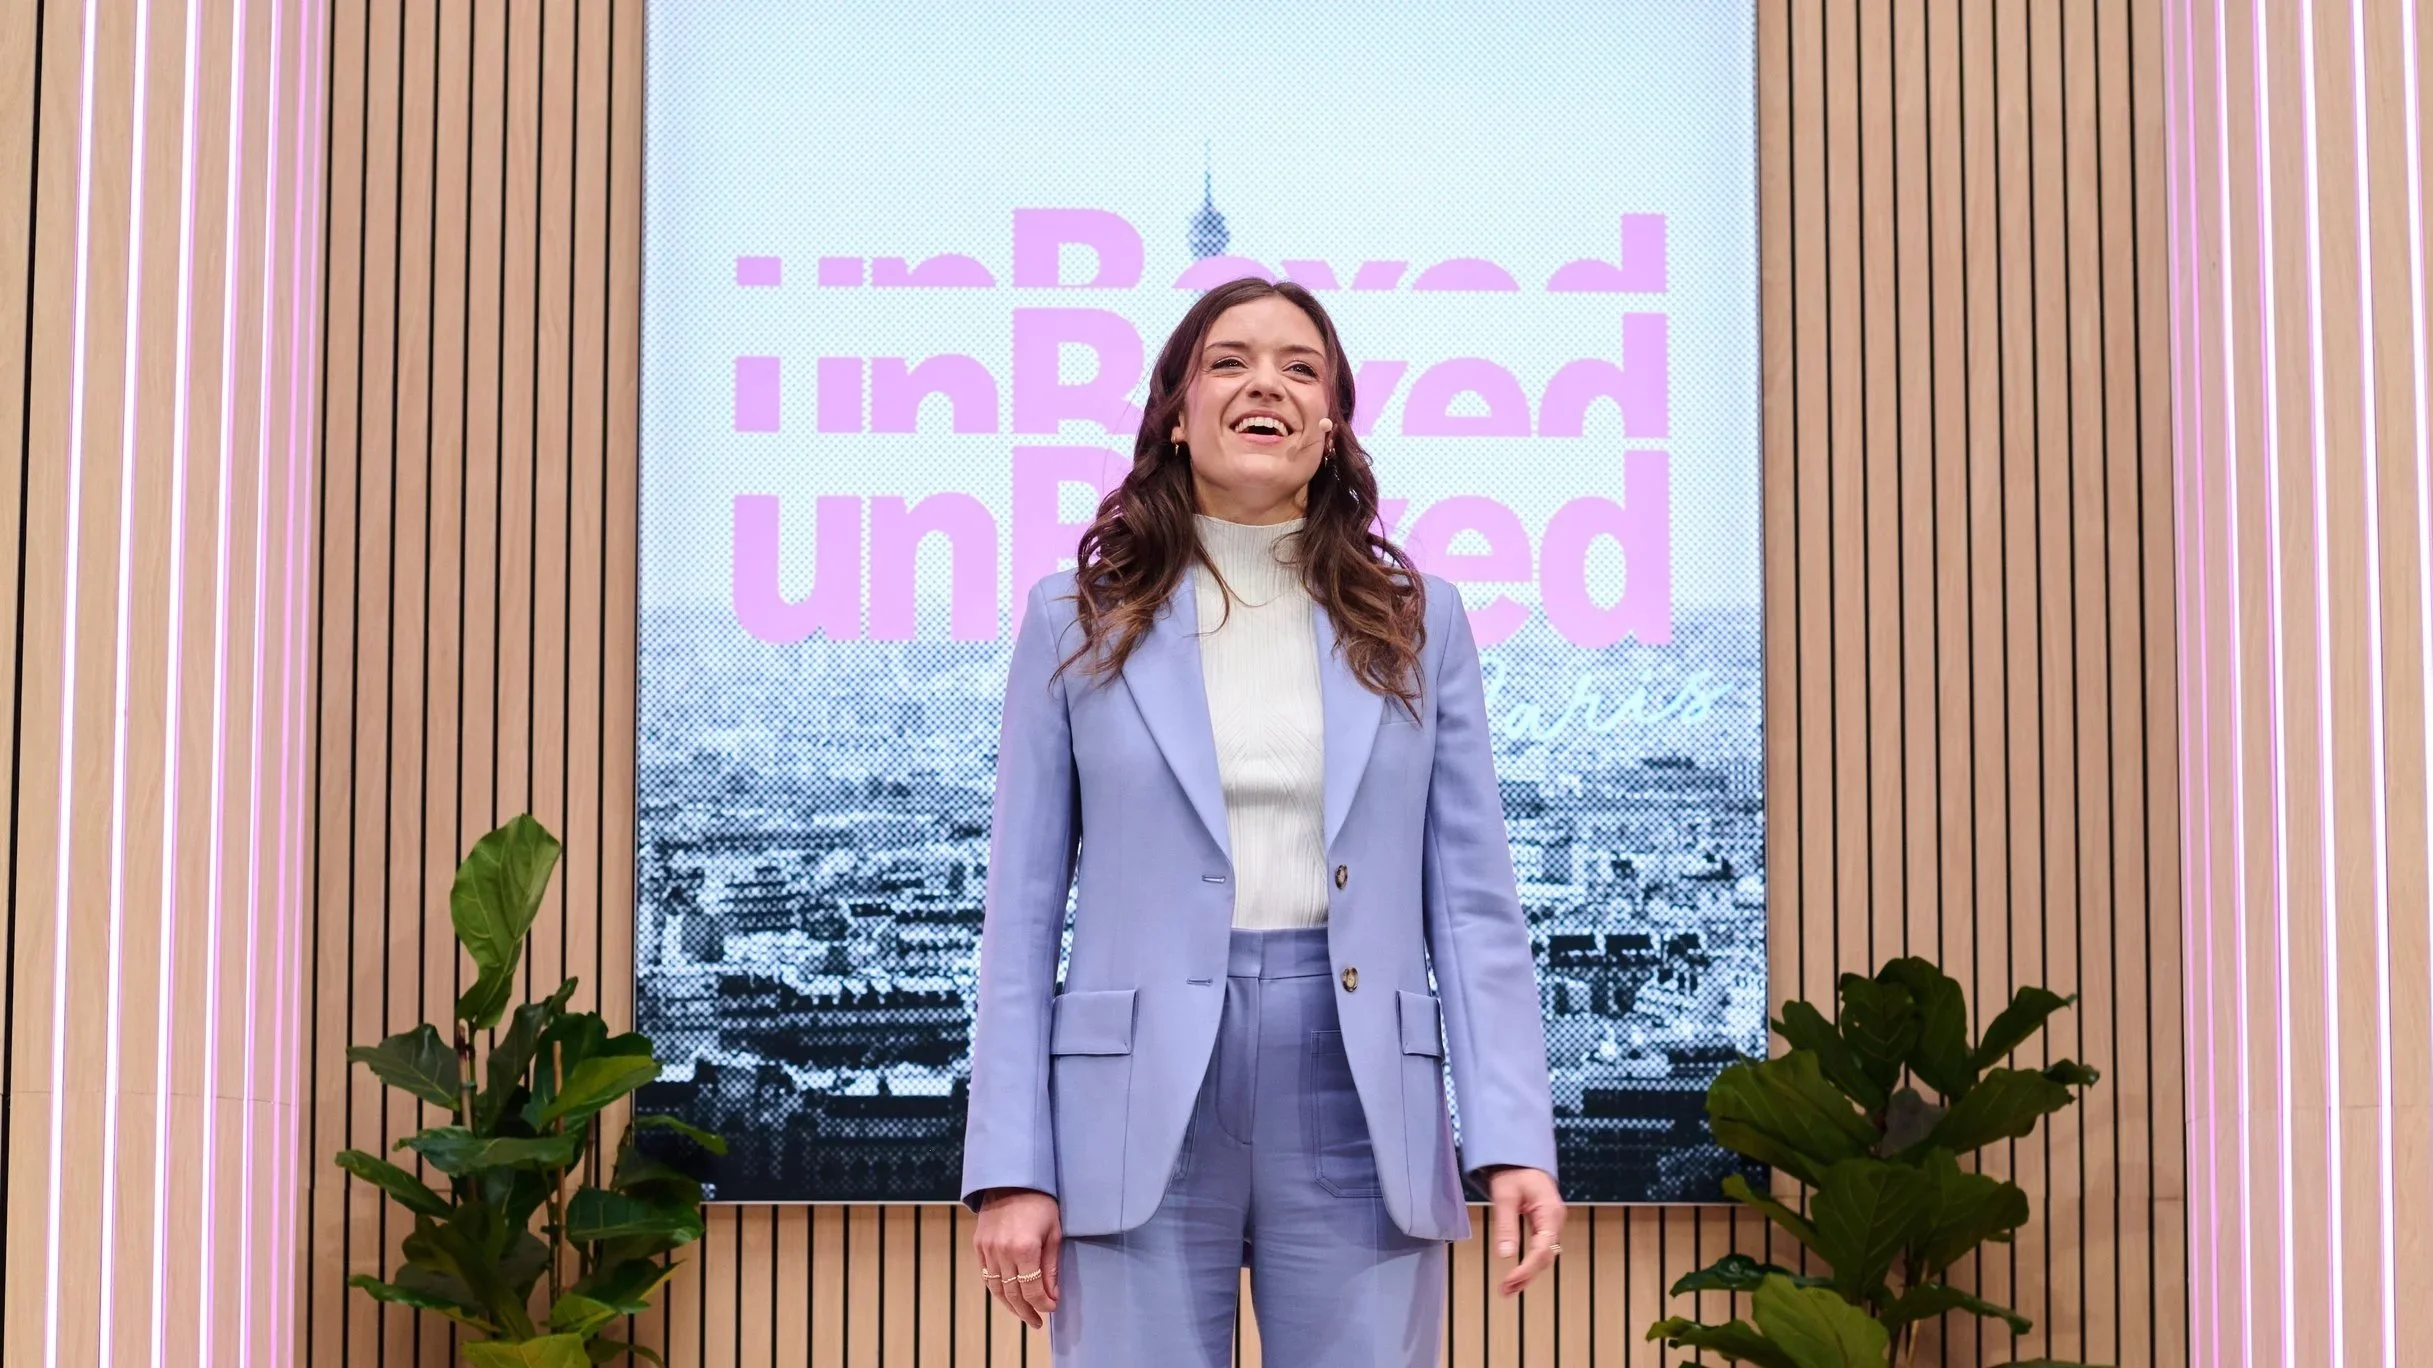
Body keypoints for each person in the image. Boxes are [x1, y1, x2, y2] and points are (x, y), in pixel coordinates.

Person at [960, 277, 1563, 1366]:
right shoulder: (1076, 616)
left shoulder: (1418, 621)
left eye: (1299, 367)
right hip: (1130, 1089)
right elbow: (1021, 913)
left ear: (1331, 424)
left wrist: (1514, 1137)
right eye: (1229, 362)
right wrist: (1012, 1168)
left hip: (1358, 1086)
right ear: (1176, 414)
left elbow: (1474, 908)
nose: (1265, 385)